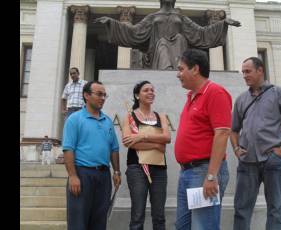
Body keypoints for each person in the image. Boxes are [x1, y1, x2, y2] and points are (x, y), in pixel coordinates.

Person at [231, 57, 281, 230]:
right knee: (241, 209)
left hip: (273, 160)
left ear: (260, 70)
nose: (244, 75)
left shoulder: (280, 93)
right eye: (243, 72)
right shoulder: (241, 99)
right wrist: (236, 148)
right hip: (247, 162)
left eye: (248, 71)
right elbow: (233, 130)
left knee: (275, 209)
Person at [174, 49, 232, 229]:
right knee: (182, 226)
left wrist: (211, 175)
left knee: (203, 226)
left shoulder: (215, 93)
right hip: (187, 172)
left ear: (195, 69)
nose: (178, 74)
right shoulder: (191, 96)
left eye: (181, 69)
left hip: (204, 171)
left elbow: (222, 134)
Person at [94, 0, 240, 70]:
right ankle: (169, 70)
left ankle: (179, 67)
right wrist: (111, 22)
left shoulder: (181, 17)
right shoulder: (153, 17)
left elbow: (200, 33)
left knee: (180, 38)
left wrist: (223, 23)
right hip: (158, 51)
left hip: (179, 49)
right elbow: (134, 31)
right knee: (163, 43)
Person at [62, 80, 121, 230]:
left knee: (100, 221)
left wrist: (116, 171)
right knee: (78, 222)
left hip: (104, 176)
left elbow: (114, 148)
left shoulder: (107, 121)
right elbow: (68, 149)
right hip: (82, 175)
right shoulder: (74, 119)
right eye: (99, 94)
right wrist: (73, 176)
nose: (102, 98)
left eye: (104, 95)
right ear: (86, 95)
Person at [121, 80, 171, 230]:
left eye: (152, 90)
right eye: (146, 90)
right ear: (137, 95)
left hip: (159, 170)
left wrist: (142, 137)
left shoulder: (161, 116)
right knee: (137, 216)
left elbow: (167, 138)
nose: (151, 92)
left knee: (159, 215)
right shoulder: (129, 117)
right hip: (137, 168)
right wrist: (156, 144)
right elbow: (129, 142)